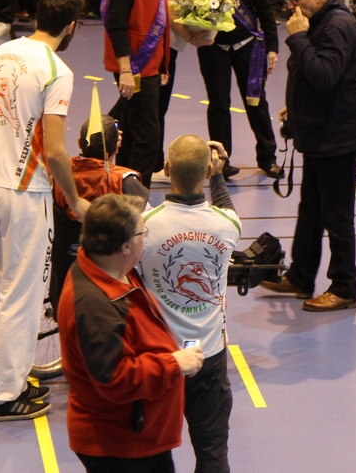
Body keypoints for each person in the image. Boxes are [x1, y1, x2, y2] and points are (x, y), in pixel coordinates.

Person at [0, 0, 88, 421]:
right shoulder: (57, 70)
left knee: (7, 294)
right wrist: (76, 201)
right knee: (22, 297)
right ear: (72, 27)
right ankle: (3, 396)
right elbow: (56, 151)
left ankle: (17, 374)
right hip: (24, 193)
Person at [58, 193, 204, 468]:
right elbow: (116, 377)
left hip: (137, 436)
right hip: (121, 446)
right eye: (142, 232)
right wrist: (173, 363)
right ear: (126, 246)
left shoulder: (109, 269)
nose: (145, 238)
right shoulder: (94, 305)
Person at [260, 0, 356, 310]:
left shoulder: (337, 26)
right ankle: (301, 275)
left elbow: (324, 76)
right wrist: (296, 108)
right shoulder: (317, 21)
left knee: (336, 215)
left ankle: (345, 286)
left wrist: (296, 39)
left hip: (340, 137)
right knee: (311, 208)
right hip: (322, 132)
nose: (290, 6)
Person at [139, 135, 241, 473]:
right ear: (208, 171)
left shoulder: (145, 228)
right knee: (213, 455)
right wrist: (219, 175)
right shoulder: (227, 226)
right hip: (209, 357)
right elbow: (225, 207)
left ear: (166, 169)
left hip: (161, 359)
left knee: (152, 454)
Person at [197, 0, 282, 179]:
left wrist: (272, 48)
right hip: (214, 47)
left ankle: (268, 159)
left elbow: (265, 11)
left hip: (248, 47)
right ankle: (222, 161)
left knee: (256, 103)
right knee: (219, 104)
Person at [49, 114, 148, 315]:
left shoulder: (57, 177)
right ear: (116, 148)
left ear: (79, 143)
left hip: (62, 292)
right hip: (111, 296)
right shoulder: (125, 182)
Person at [103, 0, 172, 186]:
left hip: (150, 68)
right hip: (135, 69)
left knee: (132, 133)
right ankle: (136, 196)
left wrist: (163, 66)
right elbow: (116, 25)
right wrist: (125, 71)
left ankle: (123, 190)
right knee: (148, 138)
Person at [158, 0, 221, 179]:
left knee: (157, 107)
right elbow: (170, 8)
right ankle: (152, 165)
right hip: (164, 48)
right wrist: (193, 38)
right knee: (157, 107)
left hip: (167, 46)